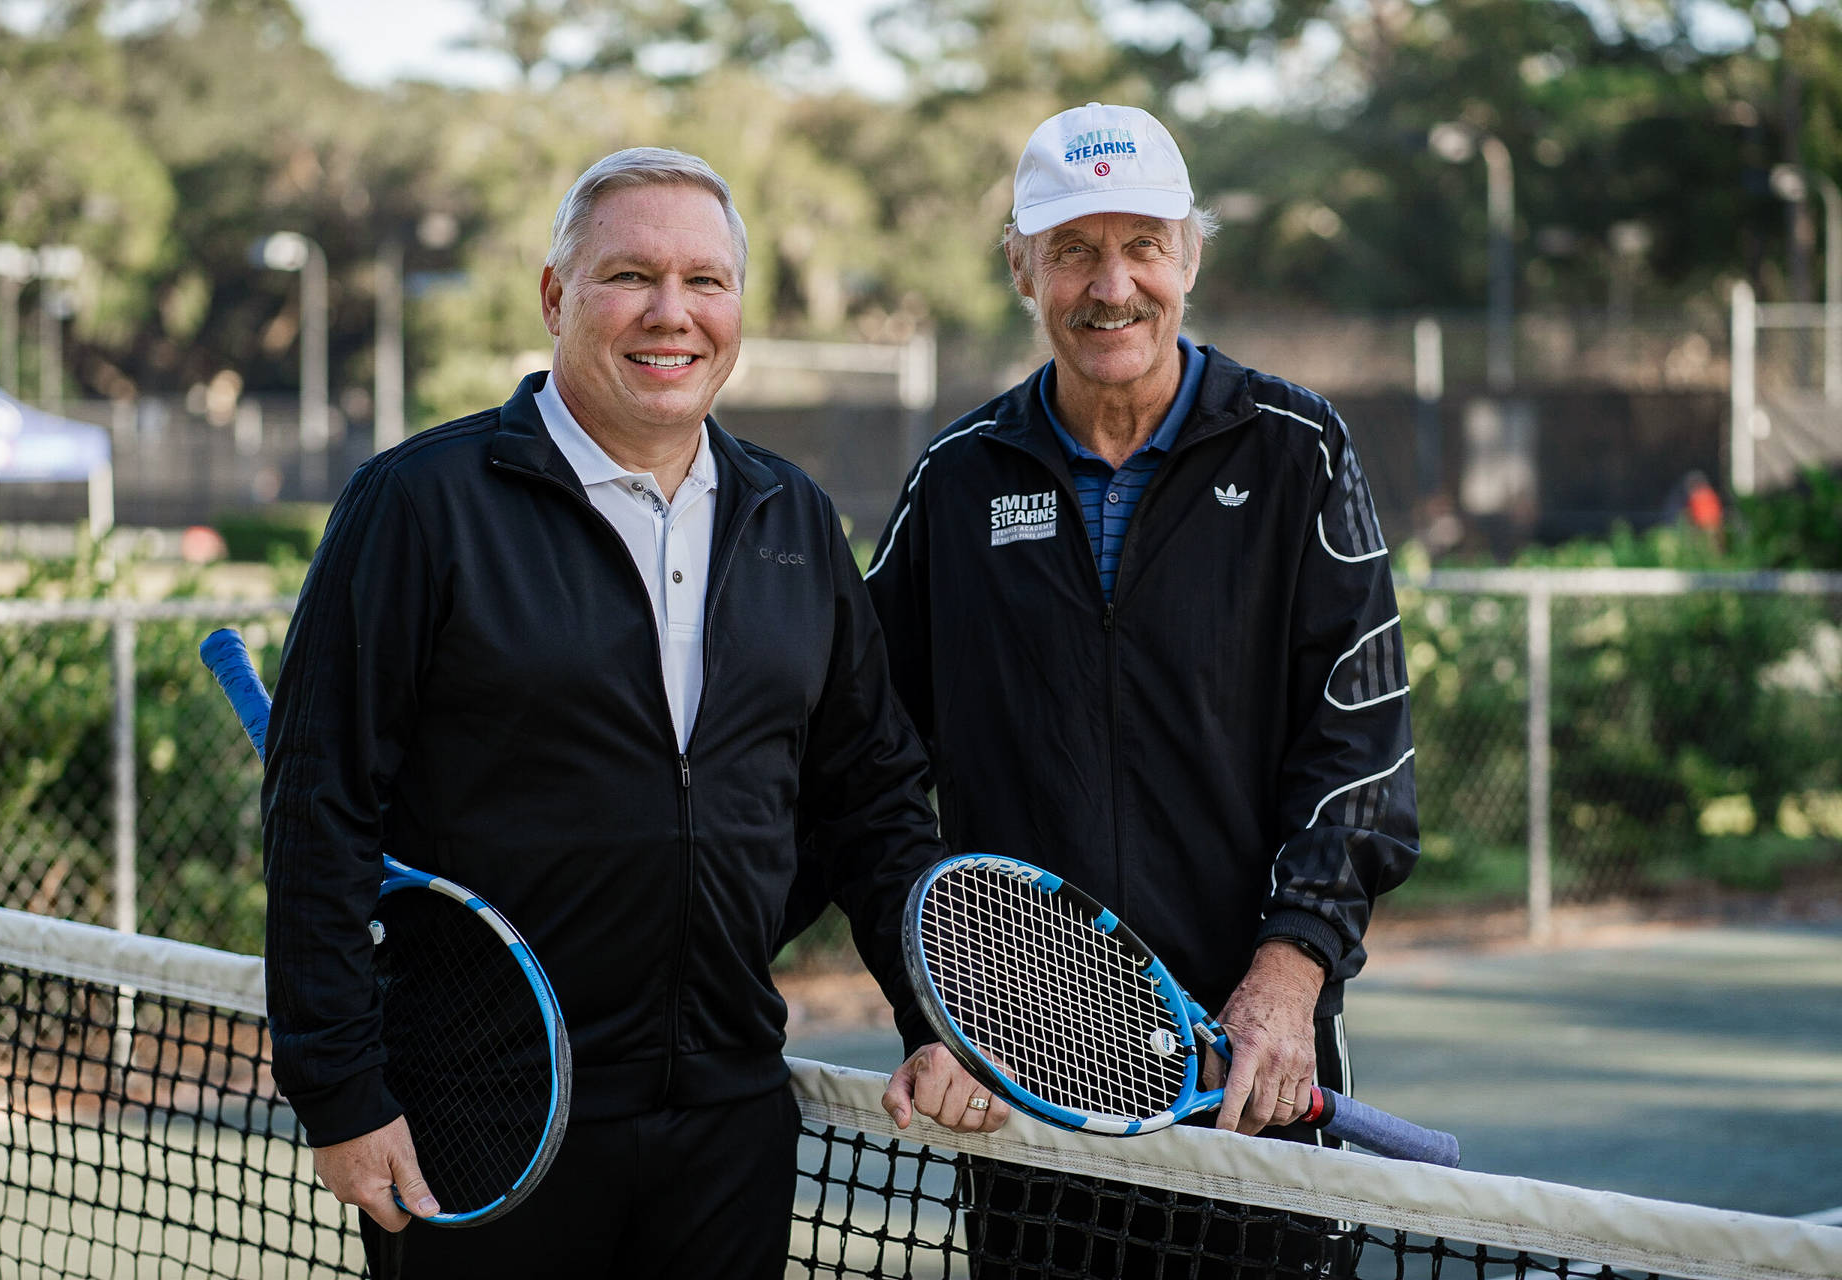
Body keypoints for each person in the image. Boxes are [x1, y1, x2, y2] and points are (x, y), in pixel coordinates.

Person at [260, 146, 1005, 1280]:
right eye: (631, 277)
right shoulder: (417, 505)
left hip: (728, 1118)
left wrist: (932, 1009)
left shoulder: (790, 516)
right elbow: (317, 812)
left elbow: (874, 799)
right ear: (557, 296)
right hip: (484, 1116)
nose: (674, 313)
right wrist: (340, 1093)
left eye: (706, 281)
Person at [861, 103, 1420, 1275]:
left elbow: (1361, 745)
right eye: (1071, 250)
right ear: (1022, 268)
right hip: (1027, 1094)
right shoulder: (958, 481)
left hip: (1248, 1079)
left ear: (1190, 258)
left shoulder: (1297, 449)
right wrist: (941, 1010)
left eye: (1142, 247)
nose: (1110, 286)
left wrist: (1291, 966)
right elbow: (859, 763)